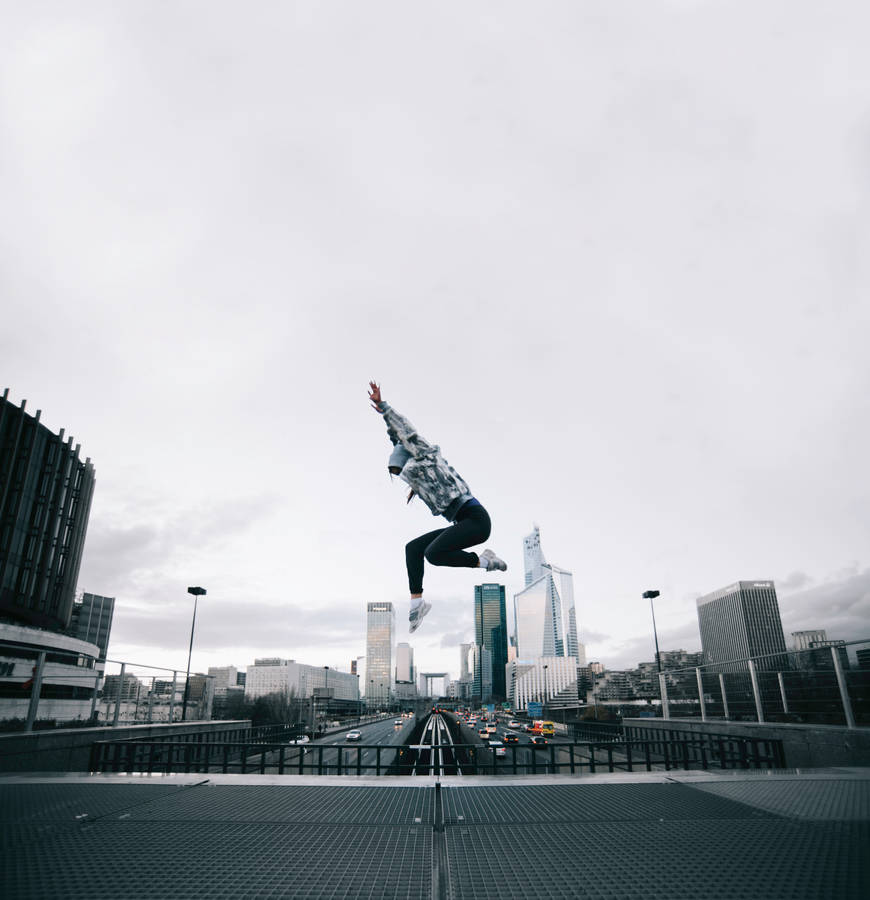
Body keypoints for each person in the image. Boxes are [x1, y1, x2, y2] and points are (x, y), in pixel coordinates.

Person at [368, 381, 506, 633]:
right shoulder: (415, 471)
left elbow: (404, 434)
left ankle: (485, 562)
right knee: (413, 548)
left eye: (400, 470)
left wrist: (384, 407)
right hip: (463, 523)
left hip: (477, 520)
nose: (403, 476)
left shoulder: (425, 455)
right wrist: (387, 426)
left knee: (433, 554)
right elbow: (395, 440)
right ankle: (417, 603)